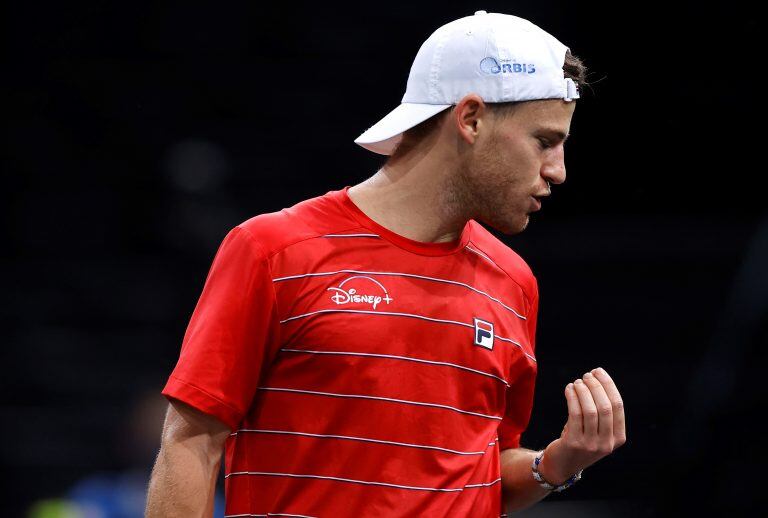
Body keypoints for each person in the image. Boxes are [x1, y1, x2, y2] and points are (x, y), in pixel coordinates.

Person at [146, 10, 626, 517]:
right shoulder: (273, 250)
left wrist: (554, 464)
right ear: (471, 119)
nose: (559, 171)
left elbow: (480, 469)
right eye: (544, 141)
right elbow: (191, 445)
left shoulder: (514, 282)